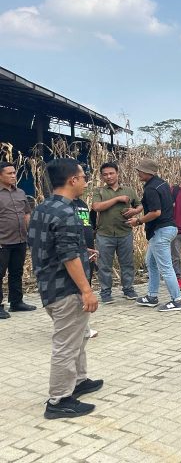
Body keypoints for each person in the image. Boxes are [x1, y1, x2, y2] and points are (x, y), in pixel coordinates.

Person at [27, 158, 102, 419]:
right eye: (83, 177)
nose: (85, 182)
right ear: (72, 180)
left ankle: (79, 381)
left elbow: (45, 244)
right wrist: (86, 290)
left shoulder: (43, 207)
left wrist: (82, 250)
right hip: (66, 290)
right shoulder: (67, 212)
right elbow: (68, 256)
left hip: (49, 285)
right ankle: (58, 400)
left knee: (77, 338)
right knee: (66, 346)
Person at [127, 159, 181, 312]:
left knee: (166, 267)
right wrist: (137, 211)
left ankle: (177, 300)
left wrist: (138, 221)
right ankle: (152, 297)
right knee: (151, 262)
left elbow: (156, 212)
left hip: (161, 231)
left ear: (148, 172)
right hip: (168, 228)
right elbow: (170, 204)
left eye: (140, 171)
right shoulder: (162, 184)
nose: (138, 173)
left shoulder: (151, 188)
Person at [90, 162, 140, 303]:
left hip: (125, 233)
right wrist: (117, 199)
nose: (109, 176)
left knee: (127, 263)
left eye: (111, 173)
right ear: (101, 176)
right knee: (104, 265)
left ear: (117, 173)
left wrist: (135, 211)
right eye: (105, 174)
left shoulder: (129, 190)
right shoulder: (99, 191)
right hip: (104, 234)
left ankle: (128, 289)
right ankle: (106, 292)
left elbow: (139, 205)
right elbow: (96, 207)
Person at [0, 161, 36, 318]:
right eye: (9, 173)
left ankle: (16, 302)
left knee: (16, 272)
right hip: (2, 242)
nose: (14, 176)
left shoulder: (20, 192)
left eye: (14, 172)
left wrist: (29, 233)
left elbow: (27, 213)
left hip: (20, 240)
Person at [73, 189, 100, 339]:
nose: (85, 185)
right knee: (78, 290)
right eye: (82, 180)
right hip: (75, 253)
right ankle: (78, 328)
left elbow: (87, 226)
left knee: (86, 285)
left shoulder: (82, 204)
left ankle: (82, 325)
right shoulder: (65, 206)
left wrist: (90, 249)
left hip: (86, 251)